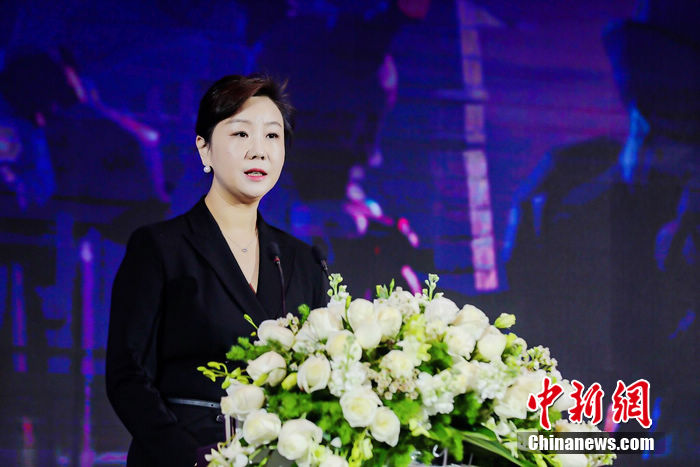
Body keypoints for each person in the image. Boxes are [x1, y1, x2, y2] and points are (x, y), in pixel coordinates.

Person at [106, 75, 329, 466]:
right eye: (241, 134)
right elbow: (127, 375)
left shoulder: (303, 261)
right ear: (204, 149)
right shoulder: (160, 248)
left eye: (272, 136)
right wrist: (190, 457)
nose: (259, 151)